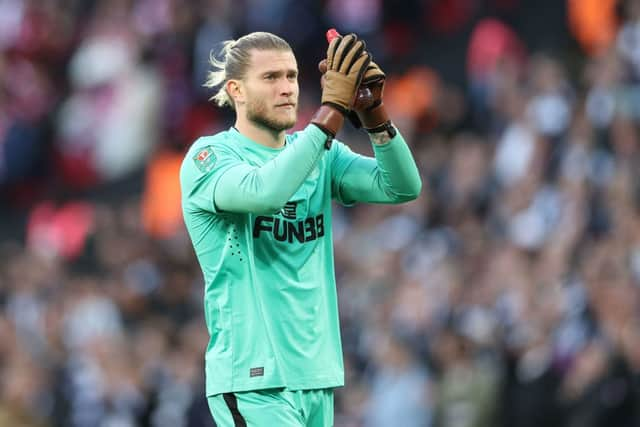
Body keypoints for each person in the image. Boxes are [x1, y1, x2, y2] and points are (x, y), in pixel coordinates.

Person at [179, 30, 422, 426]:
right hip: (254, 378)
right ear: (236, 90)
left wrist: (374, 114)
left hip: (315, 373)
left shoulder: (315, 153)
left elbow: (402, 186)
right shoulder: (209, 157)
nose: (287, 88)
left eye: (292, 76)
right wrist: (330, 114)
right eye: (271, 78)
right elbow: (265, 192)